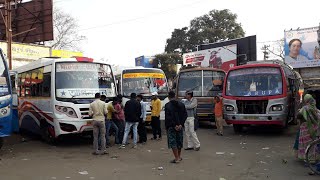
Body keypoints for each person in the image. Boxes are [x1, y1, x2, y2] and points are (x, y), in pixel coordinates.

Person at [293, 94, 320, 160]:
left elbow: (298, 116)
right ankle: (314, 158)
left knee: (305, 144)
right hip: (314, 129)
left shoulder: (305, 108)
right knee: (313, 144)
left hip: (305, 129)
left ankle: (305, 158)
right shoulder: (315, 108)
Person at [165, 91, 188, 163]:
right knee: (179, 141)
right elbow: (185, 115)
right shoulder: (181, 104)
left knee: (173, 142)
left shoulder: (167, 105)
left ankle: (176, 158)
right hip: (180, 126)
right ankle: (179, 156)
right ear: (175, 96)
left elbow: (168, 117)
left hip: (172, 127)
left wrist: (174, 125)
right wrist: (181, 124)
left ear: (168, 97)